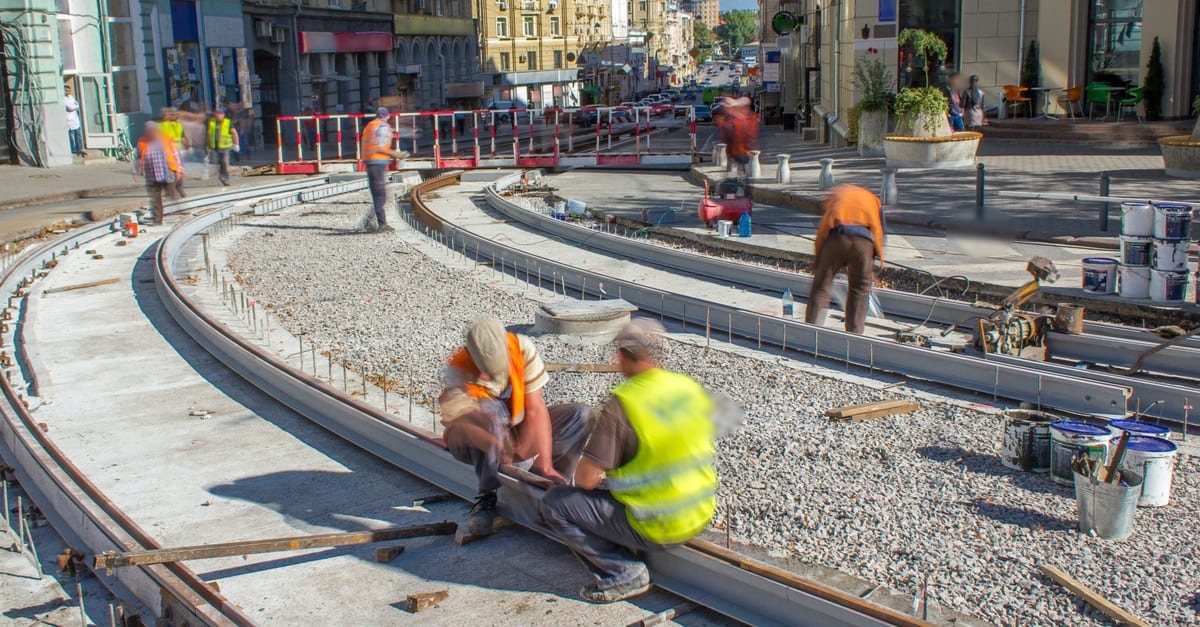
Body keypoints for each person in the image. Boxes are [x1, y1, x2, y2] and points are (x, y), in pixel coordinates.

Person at [540, 319, 719, 603]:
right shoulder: (688, 388)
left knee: (555, 504)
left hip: (659, 525)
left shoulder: (625, 402)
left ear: (622, 356)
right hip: (700, 510)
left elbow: (585, 479)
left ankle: (622, 573)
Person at [440, 316, 590, 537]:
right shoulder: (458, 370)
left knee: (580, 415)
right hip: (473, 441)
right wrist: (500, 450)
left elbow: (535, 408)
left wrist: (543, 466)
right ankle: (486, 498)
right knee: (489, 417)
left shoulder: (521, 349)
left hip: (510, 433)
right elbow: (467, 428)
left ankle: (555, 489)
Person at [804, 184, 886, 334]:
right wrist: (874, 264)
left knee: (821, 286)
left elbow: (824, 229)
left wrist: (819, 260)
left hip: (837, 236)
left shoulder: (836, 196)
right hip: (864, 241)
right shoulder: (873, 200)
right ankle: (854, 333)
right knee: (860, 289)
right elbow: (879, 232)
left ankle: (811, 329)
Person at [359, 107, 409, 232]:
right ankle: (381, 224)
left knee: (377, 194)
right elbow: (380, 147)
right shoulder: (382, 128)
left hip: (370, 162)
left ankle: (369, 221)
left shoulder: (370, 125)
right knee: (381, 195)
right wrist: (396, 154)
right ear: (387, 116)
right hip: (377, 163)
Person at [132, 122, 182, 226]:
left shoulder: (165, 140)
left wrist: (178, 170)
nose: (151, 133)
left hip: (167, 174)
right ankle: (157, 220)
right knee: (155, 199)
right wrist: (135, 171)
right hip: (151, 175)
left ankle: (179, 212)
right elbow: (138, 158)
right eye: (149, 131)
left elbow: (174, 155)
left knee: (171, 195)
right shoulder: (142, 142)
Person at [159, 107, 190, 198]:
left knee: (179, 172)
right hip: (166, 154)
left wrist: (187, 145)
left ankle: (179, 188)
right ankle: (170, 191)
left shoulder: (179, 125)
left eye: (176, 114)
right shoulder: (162, 126)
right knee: (169, 173)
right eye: (174, 114)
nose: (177, 115)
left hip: (177, 153)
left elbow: (182, 137)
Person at [205, 108, 239, 186]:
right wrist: (207, 146)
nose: (219, 116)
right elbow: (208, 135)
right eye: (217, 114)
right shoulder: (211, 122)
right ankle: (222, 176)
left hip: (225, 147)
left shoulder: (228, 122)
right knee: (217, 163)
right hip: (214, 147)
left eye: (221, 114)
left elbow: (234, 133)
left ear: (223, 115)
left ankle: (225, 179)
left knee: (224, 162)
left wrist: (236, 144)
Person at [64, 84, 85, 157]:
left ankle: (79, 148)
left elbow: (77, 105)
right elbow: (69, 108)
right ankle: (73, 149)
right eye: (66, 91)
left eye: (69, 91)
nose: (68, 92)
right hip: (69, 121)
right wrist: (73, 108)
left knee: (78, 135)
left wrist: (74, 108)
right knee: (71, 136)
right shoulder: (63, 99)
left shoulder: (71, 97)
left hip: (75, 120)